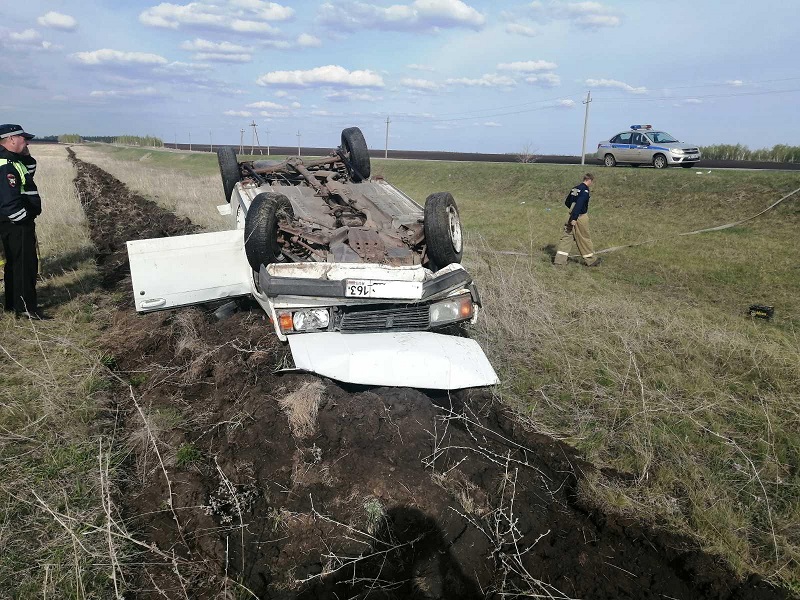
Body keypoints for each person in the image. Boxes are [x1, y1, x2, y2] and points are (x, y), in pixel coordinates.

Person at [0, 123, 46, 319]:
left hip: (13, 223)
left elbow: (30, 168)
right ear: (11, 139)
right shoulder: (6, 165)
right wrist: (24, 220)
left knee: (14, 264)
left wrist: (24, 152)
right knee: (24, 265)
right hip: (16, 223)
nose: (26, 142)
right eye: (23, 138)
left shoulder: (12, 160)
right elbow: (9, 201)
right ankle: (27, 309)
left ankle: (12, 304)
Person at [553, 173, 601, 267]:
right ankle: (591, 260)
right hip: (579, 217)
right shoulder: (585, 190)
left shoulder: (575, 188)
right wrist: (574, 218)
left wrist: (572, 213)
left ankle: (559, 261)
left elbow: (568, 202)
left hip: (570, 215)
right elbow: (579, 203)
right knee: (584, 238)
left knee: (567, 237)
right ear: (589, 180)